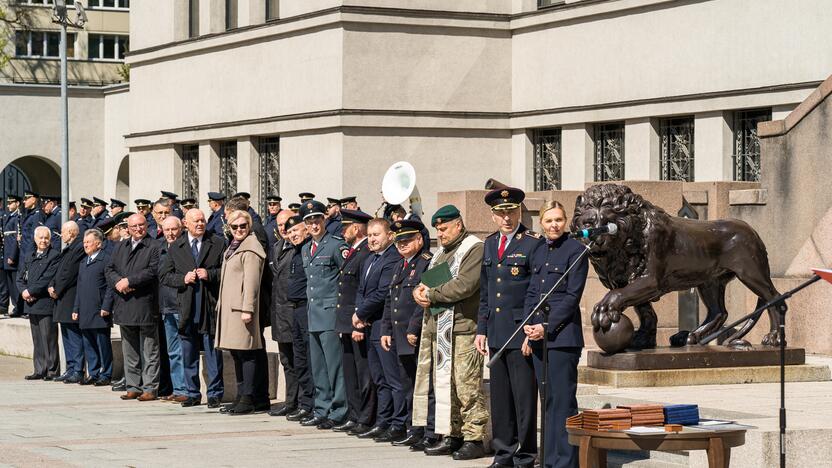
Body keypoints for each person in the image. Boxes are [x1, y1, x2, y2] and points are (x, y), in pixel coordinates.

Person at [412, 205, 488, 460]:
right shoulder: (443, 253)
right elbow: (428, 281)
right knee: (448, 387)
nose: (440, 234)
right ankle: (453, 434)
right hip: (442, 329)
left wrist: (430, 294)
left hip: (464, 328)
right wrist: (418, 292)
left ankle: (474, 438)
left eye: (444, 229)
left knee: (467, 386)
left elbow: (464, 286)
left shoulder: (473, 248)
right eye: (438, 229)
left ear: (458, 224)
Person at [475, 187, 543, 468]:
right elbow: (486, 292)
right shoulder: (490, 244)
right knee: (501, 399)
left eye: (511, 212)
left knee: (524, 398)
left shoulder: (532, 243)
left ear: (519, 212)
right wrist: (482, 329)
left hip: (520, 332)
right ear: (493, 216)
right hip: (496, 332)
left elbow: (536, 291)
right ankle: (503, 453)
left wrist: (530, 328)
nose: (507, 218)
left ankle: (525, 455)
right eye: (501, 213)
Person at [523, 201, 588, 468]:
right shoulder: (538, 249)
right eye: (549, 221)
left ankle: (565, 462)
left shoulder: (577, 251)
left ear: (566, 221)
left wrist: (546, 327)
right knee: (547, 401)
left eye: (559, 220)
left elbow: (572, 298)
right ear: (541, 223)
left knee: (562, 402)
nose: (554, 225)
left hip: (562, 339)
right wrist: (528, 329)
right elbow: (531, 292)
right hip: (538, 340)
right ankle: (548, 460)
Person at [380, 219, 437, 449]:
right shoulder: (399, 265)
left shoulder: (429, 263)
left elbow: (425, 301)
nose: (402, 244)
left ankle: (430, 431)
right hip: (398, 333)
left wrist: (414, 328)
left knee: (425, 385)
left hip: (417, 334)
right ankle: (415, 428)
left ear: (419, 239)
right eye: (399, 241)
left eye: (407, 239)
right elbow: (389, 300)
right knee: (408, 385)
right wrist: (385, 329)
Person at [160, 209, 226, 408]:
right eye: (196, 221)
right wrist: (183, 279)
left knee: (213, 353)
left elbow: (226, 270)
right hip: (187, 307)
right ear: (185, 224)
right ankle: (192, 393)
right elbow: (164, 276)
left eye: (203, 220)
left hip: (209, 305)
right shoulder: (176, 247)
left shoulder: (218, 242)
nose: (200, 223)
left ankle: (215, 393)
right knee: (188, 352)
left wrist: (210, 274)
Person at [353, 218, 405, 442]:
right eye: (370, 235)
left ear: (390, 236)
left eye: (377, 235)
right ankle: (383, 421)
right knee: (378, 378)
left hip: (384, 324)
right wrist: (359, 314)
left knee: (392, 378)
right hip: (369, 324)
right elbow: (362, 290)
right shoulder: (370, 259)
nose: (372, 239)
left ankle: (398, 423)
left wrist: (360, 313)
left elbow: (382, 292)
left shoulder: (392, 258)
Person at [300, 200, 349, 429]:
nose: (314, 224)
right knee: (319, 367)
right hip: (313, 314)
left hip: (330, 314)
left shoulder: (335, 245)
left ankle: (339, 411)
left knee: (334, 367)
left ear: (324, 220)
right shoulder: (305, 248)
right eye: (309, 221)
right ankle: (322, 408)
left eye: (317, 219)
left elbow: (346, 277)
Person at [105, 213, 162, 401]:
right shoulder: (120, 246)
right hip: (124, 303)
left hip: (145, 304)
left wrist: (130, 281)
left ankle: (150, 388)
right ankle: (133, 386)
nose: (138, 229)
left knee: (149, 350)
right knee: (129, 350)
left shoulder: (154, 245)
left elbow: (153, 271)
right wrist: (119, 282)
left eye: (142, 225)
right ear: (127, 228)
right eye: (134, 226)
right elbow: (109, 269)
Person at [215, 210, 267, 415]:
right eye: (234, 227)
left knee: (247, 353)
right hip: (231, 309)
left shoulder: (251, 248)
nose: (238, 230)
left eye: (242, 226)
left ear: (249, 227)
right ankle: (241, 395)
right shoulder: (234, 246)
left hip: (242, 310)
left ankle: (248, 398)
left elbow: (252, 283)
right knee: (237, 353)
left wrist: (248, 309)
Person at [333, 209, 375, 435]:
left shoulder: (366, 251)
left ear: (357, 228)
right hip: (346, 322)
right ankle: (355, 414)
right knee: (349, 372)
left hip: (357, 322)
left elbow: (364, 289)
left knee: (362, 373)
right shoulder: (353, 252)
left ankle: (366, 417)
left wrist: (359, 321)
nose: (342, 231)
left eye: (345, 227)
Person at [267, 209, 301, 417]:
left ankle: (300, 402)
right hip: (279, 313)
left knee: (299, 360)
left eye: (287, 224)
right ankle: (290, 400)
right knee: (286, 360)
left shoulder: (299, 248)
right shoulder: (277, 247)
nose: (283, 228)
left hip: (294, 312)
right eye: (280, 225)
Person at [281, 215, 315, 422]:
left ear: (306, 231)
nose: (293, 235)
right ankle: (305, 403)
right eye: (290, 232)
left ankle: (312, 404)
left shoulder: (309, 250)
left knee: (311, 361)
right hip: (295, 310)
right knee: (300, 359)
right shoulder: (295, 252)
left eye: (296, 230)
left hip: (308, 308)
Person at [73, 228, 115, 386]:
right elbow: (79, 287)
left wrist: (106, 306)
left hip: (99, 309)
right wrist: (75, 309)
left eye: (88, 242)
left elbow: (110, 286)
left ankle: (107, 373)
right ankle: (94, 372)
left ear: (98, 243)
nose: (85, 245)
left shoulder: (106, 260)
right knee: (88, 343)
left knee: (102, 343)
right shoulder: (84, 262)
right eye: (84, 242)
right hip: (84, 309)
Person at [20, 226, 61, 380]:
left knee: (49, 337)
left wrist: (30, 292)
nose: (43, 241)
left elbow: (46, 278)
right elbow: (20, 276)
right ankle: (39, 369)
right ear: (35, 239)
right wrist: (24, 292)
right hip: (30, 303)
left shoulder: (54, 256)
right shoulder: (29, 255)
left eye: (46, 238)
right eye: (40, 238)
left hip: (44, 302)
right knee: (37, 339)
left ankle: (51, 370)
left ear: (50, 240)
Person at [49, 221, 88, 384]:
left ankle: (78, 370)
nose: (61, 235)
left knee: (73, 335)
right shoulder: (68, 249)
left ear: (72, 233)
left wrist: (57, 289)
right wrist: (51, 284)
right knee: (66, 334)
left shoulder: (78, 248)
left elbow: (69, 272)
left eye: (63, 232)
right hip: (61, 298)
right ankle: (70, 368)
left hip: (69, 297)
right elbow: (58, 271)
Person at [156, 217, 189, 403]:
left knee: (186, 349)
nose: (170, 233)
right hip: (166, 306)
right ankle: (178, 389)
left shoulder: (185, 246)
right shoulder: (160, 247)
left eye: (174, 229)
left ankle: (187, 388)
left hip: (182, 304)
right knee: (173, 351)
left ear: (181, 228)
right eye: (166, 230)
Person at [3, 195, 24, 317]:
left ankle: (18, 308)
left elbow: (17, 240)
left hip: (12, 257)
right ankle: (16, 307)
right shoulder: (9, 216)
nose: (8, 205)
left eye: (11, 203)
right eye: (8, 203)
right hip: (6, 255)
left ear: (17, 203)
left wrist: (13, 256)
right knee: (10, 284)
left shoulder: (18, 217)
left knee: (16, 285)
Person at [20, 191, 45, 261]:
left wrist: (29, 256)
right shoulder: (29, 213)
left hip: (29, 254)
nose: (24, 201)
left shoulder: (37, 214)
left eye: (26, 199)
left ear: (33, 200)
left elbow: (34, 237)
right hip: (23, 252)